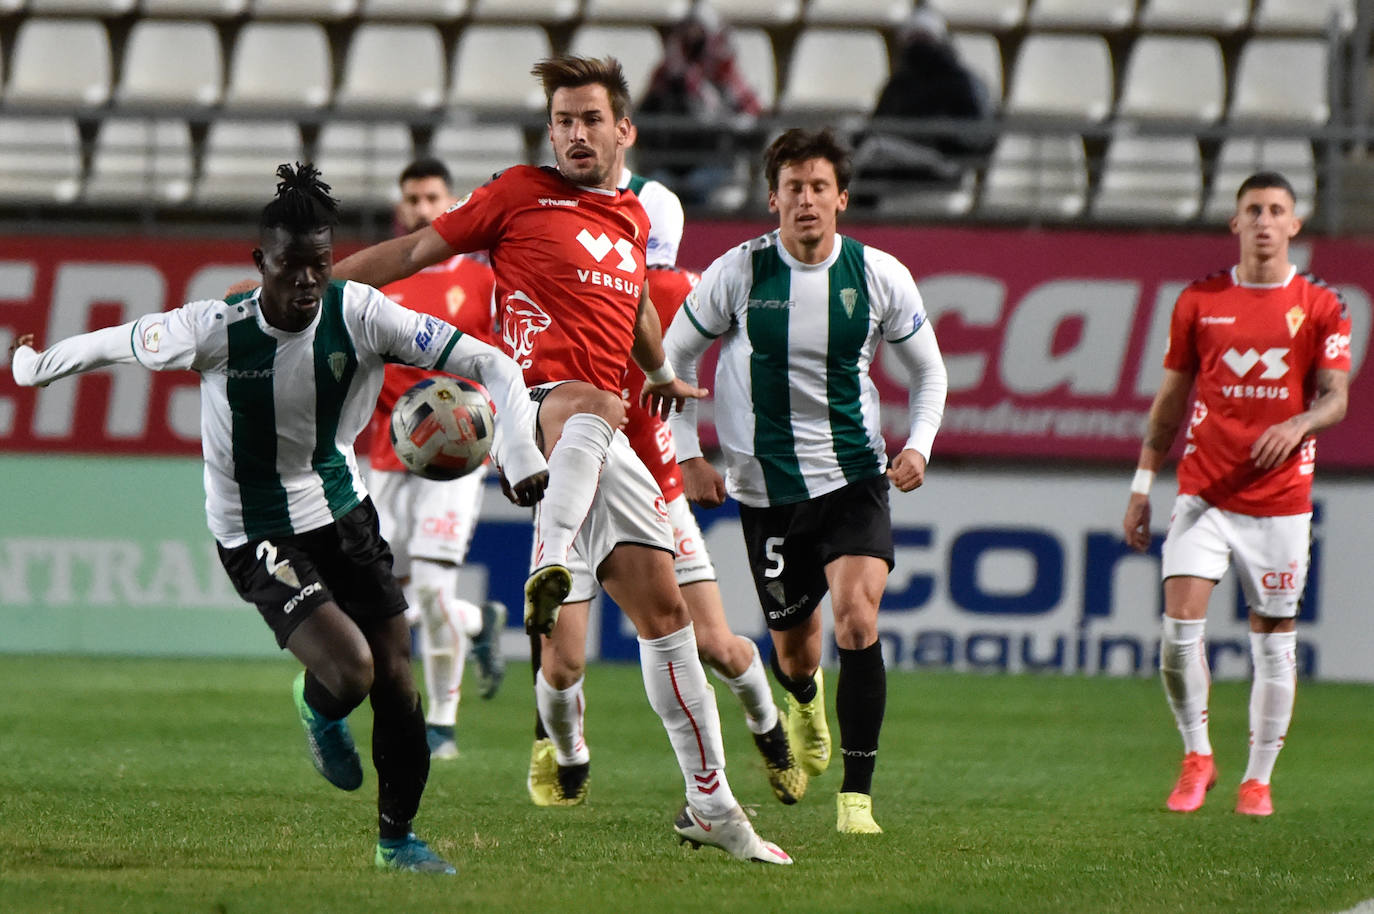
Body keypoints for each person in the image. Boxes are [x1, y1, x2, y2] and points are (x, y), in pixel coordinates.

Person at [6, 163, 549, 875]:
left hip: (343, 511)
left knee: (397, 679)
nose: (306, 282)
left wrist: (516, 448)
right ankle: (319, 706)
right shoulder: (214, 328)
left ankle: (396, 842)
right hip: (255, 528)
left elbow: (492, 363)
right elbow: (113, 343)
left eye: (319, 265)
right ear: (260, 262)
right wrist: (32, 367)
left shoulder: (361, 313)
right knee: (351, 670)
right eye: (290, 266)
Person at [329, 55, 792, 864]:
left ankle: (710, 804)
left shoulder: (630, 221)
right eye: (563, 121)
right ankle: (549, 552)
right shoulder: (515, 195)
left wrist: (657, 371)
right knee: (589, 399)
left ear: (624, 132)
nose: (576, 134)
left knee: (668, 620)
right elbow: (411, 256)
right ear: (551, 132)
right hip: (530, 407)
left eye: (590, 120)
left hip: (603, 444)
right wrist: (315, 291)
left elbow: (639, 304)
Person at [661, 128, 949, 834]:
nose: (807, 200)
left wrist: (919, 446)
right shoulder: (739, 272)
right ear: (774, 199)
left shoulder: (880, 275)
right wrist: (688, 456)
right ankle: (803, 697)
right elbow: (673, 359)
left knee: (857, 617)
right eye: (794, 188)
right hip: (766, 492)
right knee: (795, 649)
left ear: (841, 200)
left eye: (820, 187)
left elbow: (928, 372)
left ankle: (857, 798)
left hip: (854, 476)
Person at [526, 259, 808, 810]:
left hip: (656, 491)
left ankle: (768, 727)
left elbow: (744, 337)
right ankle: (567, 752)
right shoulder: (543, 282)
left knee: (715, 644)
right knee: (561, 665)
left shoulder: (675, 287)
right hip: (576, 489)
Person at [1122, 171, 1351, 817]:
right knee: (1176, 630)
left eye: (1277, 210)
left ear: (1294, 224)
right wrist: (1142, 485)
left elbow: (1336, 396)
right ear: (1235, 222)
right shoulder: (1200, 299)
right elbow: (1169, 405)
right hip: (1204, 492)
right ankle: (1198, 756)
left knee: (1274, 639)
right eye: (1253, 209)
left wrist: (1298, 422)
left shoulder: (1323, 304)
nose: (1264, 221)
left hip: (1280, 499)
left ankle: (1258, 777)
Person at [363, 158, 507, 761]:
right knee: (380, 598)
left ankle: (442, 727)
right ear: (402, 207)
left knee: (427, 589)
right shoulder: (380, 279)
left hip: (455, 459)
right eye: (413, 199)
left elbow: (504, 365)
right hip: (386, 456)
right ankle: (476, 622)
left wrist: (504, 440)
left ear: (450, 203)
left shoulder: (481, 282)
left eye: (432, 198)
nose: (422, 209)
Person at [850, 8, 995, 206]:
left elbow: (977, 135)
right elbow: (878, 123)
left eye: (924, 37)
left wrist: (937, 135)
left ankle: (846, 212)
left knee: (876, 148)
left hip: (945, 165)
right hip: (901, 166)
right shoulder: (898, 84)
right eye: (913, 37)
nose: (919, 44)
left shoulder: (962, 81)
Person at [635, 0, 764, 206]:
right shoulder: (665, 75)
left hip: (714, 168)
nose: (691, 38)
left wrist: (723, 121)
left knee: (713, 193)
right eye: (686, 32)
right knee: (655, 192)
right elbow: (644, 118)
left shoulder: (726, 76)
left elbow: (751, 117)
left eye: (699, 31)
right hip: (670, 167)